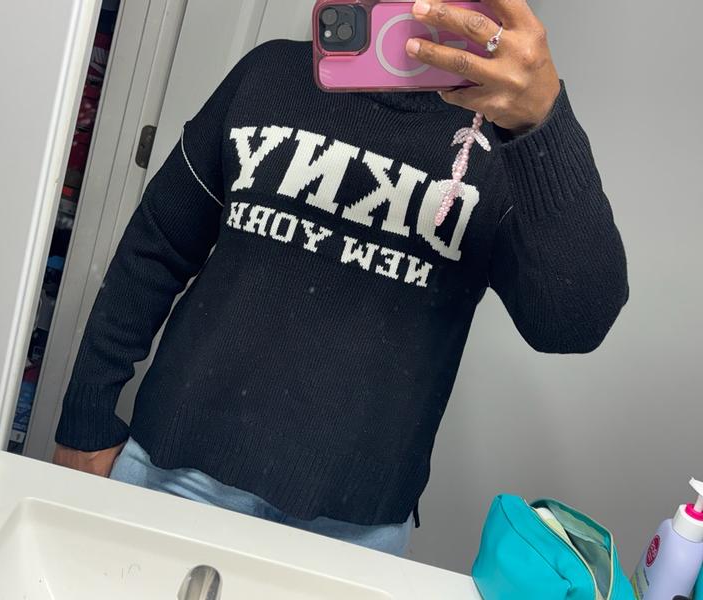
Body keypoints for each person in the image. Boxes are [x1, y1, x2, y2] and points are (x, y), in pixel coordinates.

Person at [53, 0, 628, 558]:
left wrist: (543, 122)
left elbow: (573, 323)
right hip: (173, 474)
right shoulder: (269, 74)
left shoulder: (507, 141)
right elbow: (154, 246)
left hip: (354, 530)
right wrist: (86, 415)